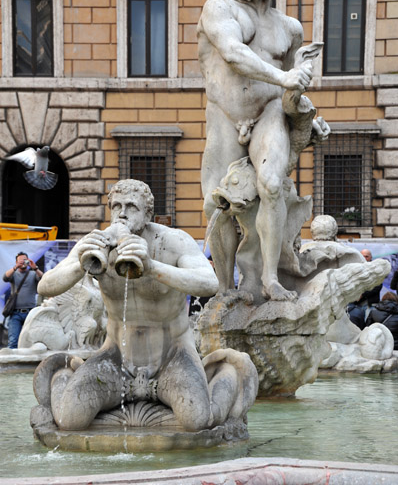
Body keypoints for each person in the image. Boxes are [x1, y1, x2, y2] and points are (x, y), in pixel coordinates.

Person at [36, 179, 257, 432]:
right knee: (69, 420)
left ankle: (225, 374)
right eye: (116, 206)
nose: (122, 213)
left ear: (148, 213)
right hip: (116, 358)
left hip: (171, 356)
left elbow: (209, 283)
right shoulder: (96, 242)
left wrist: (152, 267)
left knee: (197, 421)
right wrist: (81, 264)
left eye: (131, 207)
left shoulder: (173, 241)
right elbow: (46, 286)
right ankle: (64, 375)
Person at [198, 0, 313, 302]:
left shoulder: (290, 29)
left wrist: (308, 113)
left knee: (272, 185)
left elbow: (294, 83)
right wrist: (284, 80)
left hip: (270, 112)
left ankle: (269, 278)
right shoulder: (219, 8)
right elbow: (233, 54)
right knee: (216, 203)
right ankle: (225, 288)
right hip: (224, 114)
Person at [2, 251, 43, 348]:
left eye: (25, 260)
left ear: (28, 261)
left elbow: (43, 279)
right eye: (20, 261)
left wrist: (35, 268)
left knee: (31, 341)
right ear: (16, 262)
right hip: (15, 313)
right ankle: (12, 363)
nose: (23, 262)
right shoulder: (14, 274)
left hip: (30, 313)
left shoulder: (33, 274)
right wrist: (15, 267)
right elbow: (5, 278)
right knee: (13, 342)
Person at [347, 249, 382, 329]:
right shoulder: (354, 269)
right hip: (356, 303)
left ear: (370, 257)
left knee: (368, 326)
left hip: (370, 303)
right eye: (363, 256)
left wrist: (362, 294)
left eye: (367, 256)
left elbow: (377, 286)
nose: (365, 258)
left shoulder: (376, 269)